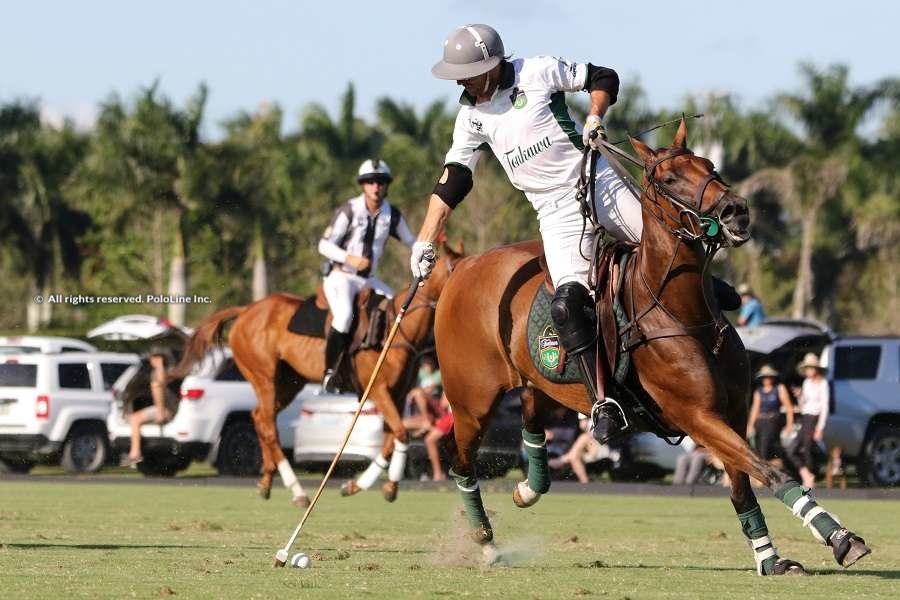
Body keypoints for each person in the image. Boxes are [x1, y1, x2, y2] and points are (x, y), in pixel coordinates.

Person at [409, 24, 643, 444]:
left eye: (467, 73)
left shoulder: (539, 71)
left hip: (596, 180)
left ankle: (709, 290)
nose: (460, 82)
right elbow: (454, 178)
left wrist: (594, 117)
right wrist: (426, 238)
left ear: (492, 66)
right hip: (555, 212)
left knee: (669, 244)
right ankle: (603, 400)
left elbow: (603, 77)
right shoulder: (470, 117)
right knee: (568, 305)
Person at [318, 159, 417, 392]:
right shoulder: (349, 209)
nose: (376, 187)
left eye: (381, 182)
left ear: (386, 186)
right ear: (363, 185)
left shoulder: (391, 214)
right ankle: (330, 372)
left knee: (400, 308)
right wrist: (349, 258)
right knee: (343, 316)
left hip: (368, 279)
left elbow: (412, 241)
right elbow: (324, 245)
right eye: (371, 182)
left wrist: (430, 243)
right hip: (340, 276)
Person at [120, 347, 174, 467]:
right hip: (162, 409)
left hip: (165, 410)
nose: (150, 359)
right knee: (133, 418)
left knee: (135, 419)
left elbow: (160, 384)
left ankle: (135, 453)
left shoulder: (162, 371)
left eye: (153, 357)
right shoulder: (159, 371)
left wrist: (160, 412)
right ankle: (135, 452)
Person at [788, 353, 830, 488]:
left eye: (811, 368)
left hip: (814, 418)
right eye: (807, 368)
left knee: (807, 448)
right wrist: (799, 396)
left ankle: (811, 475)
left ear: (816, 369)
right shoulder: (806, 383)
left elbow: (825, 406)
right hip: (805, 417)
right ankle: (806, 474)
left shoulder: (823, 383)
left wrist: (820, 427)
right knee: (792, 449)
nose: (809, 371)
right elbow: (804, 404)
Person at [746, 364, 794, 462]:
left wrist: (789, 425)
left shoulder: (779, 388)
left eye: (768, 377)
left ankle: (764, 463)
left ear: (772, 377)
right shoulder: (758, 391)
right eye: (764, 377)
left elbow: (789, 407)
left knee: (766, 442)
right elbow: (755, 409)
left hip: (773, 419)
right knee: (757, 442)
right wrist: (750, 425)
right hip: (761, 421)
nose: (766, 379)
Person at [403, 356, 443, 435]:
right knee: (403, 423)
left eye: (429, 364)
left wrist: (415, 391)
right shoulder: (422, 373)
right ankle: (427, 427)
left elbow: (430, 389)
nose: (428, 366)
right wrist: (412, 393)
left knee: (418, 393)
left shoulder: (438, 374)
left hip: (434, 399)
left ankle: (426, 419)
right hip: (424, 404)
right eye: (426, 365)